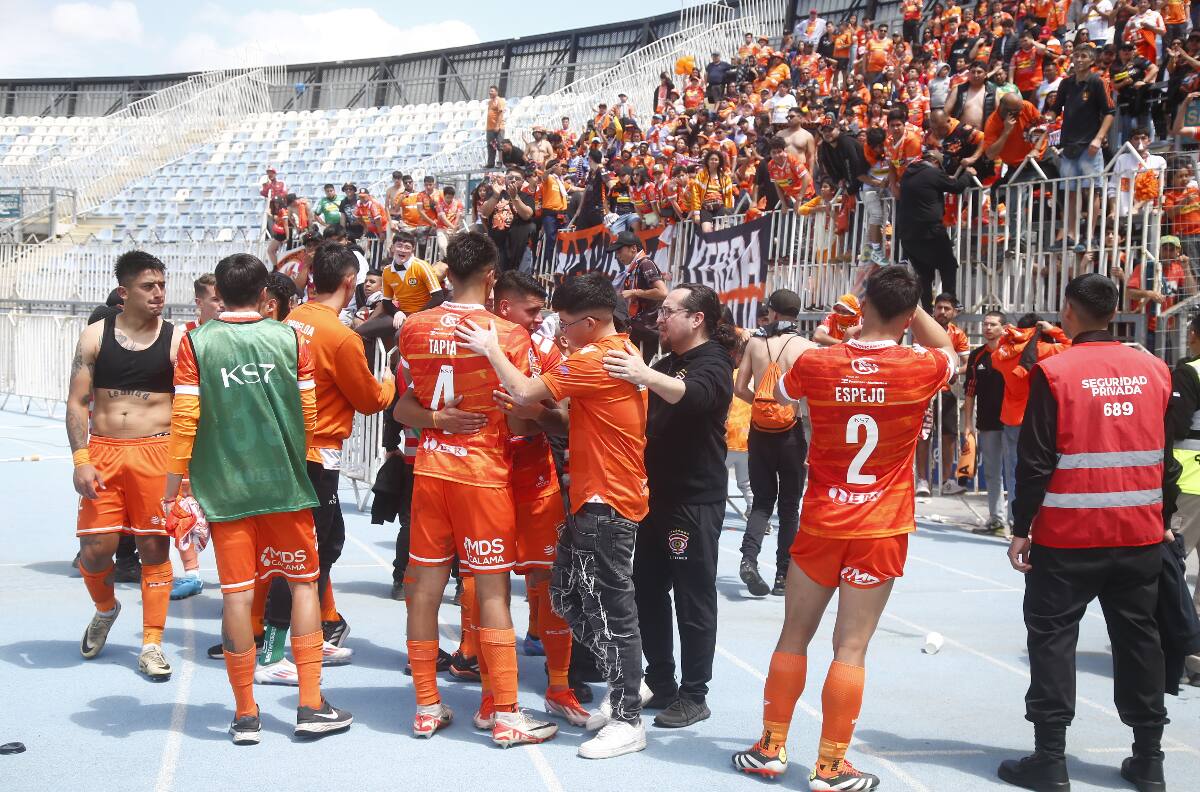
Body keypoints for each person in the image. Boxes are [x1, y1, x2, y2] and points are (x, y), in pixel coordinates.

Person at [731, 267, 957, 791]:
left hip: (822, 518)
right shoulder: (919, 366)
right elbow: (946, 346)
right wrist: (911, 304)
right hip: (881, 525)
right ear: (909, 313)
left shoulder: (818, 359)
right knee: (850, 648)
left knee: (793, 634)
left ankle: (770, 746)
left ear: (863, 304)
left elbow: (780, 396)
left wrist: (853, 337)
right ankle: (830, 766)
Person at [456, 271, 650, 760]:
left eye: (563, 322)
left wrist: (489, 347)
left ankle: (628, 714)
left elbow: (523, 390)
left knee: (612, 607)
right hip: (593, 495)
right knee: (566, 595)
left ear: (590, 321)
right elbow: (559, 418)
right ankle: (630, 678)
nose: (557, 330)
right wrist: (540, 414)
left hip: (608, 498)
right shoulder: (618, 351)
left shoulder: (596, 358)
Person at [162, 253, 351, 744]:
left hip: (226, 490)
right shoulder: (289, 337)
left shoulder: (196, 343)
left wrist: (173, 486)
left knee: (237, 596)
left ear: (218, 293)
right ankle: (310, 705)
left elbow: (185, 420)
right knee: (304, 586)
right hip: (286, 486)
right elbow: (308, 416)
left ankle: (246, 714)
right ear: (265, 293)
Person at [999, 273, 1174, 792]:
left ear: (1068, 310)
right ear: (1115, 311)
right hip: (1139, 534)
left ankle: (1050, 760)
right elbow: (1162, 457)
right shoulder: (1154, 369)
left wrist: (1021, 528)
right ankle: (1149, 759)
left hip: (1068, 536)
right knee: (1140, 640)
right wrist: (1161, 520)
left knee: (1052, 640)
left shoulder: (1054, 372)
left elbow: (1034, 462)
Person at [393, 269, 586, 727]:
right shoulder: (480, 338)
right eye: (532, 310)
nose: (540, 320)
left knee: (548, 583)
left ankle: (559, 687)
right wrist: (443, 418)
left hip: (533, 480)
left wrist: (529, 410)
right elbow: (402, 407)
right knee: (481, 588)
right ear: (502, 305)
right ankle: (493, 698)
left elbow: (563, 419)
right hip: (482, 477)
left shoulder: (542, 349)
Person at [253, 243, 397, 680]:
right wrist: (388, 380)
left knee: (326, 544)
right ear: (350, 282)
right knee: (302, 552)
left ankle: (309, 637)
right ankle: (273, 654)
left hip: (291, 450)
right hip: (315, 455)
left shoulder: (293, 319)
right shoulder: (340, 337)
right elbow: (370, 401)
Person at [602, 283, 735, 729]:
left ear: (697, 318)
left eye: (668, 311)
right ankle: (661, 680)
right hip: (654, 498)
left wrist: (643, 375)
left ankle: (695, 694)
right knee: (646, 590)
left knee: (693, 598)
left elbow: (695, 396)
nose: (659, 318)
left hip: (693, 501)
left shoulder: (714, 362)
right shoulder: (666, 363)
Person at [68, 251, 182, 681]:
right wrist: (81, 459)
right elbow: (78, 401)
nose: (158, 294)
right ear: (124, 291)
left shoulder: (176, 339)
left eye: (161, 285)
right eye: (148, 286)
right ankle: (105, 608)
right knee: (95, 552)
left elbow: (192, 404)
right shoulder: (95, 336)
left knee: (154, 548)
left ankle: (151, 642)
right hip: (104, 453)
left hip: (157, 452)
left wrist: (184, 466)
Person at [734, 289, 813, 598]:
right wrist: (786, 408)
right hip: (791, 433)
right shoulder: (806, 347)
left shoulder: (755, 342)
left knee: (763, 501)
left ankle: (748, 559)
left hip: (759, 431)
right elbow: (809, 398)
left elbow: (740, 388)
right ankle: (783, 575)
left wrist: (763, 404)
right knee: (790, 506)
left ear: (773, 313)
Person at [168, 274, 224, 601]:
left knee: (225, 507)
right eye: (215, 299)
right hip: (192, 432)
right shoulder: (182, 336)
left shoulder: (234, 334)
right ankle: (191, 573)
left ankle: (234, 574)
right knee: (184, 503)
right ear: (199, 302)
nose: (221, 304)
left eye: (223, 298)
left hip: (225, 436)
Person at [896, 149, 975, 312]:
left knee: (924, 274)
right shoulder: (932, 173)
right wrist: (968, 174)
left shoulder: (907, 174)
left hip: (908, 236)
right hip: (930, 231)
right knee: (948, 265)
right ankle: (949, 304)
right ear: (936, 162)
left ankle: (927, 309)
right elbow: (957, 186)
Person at [915, 293, 970, 497]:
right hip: (925, 391)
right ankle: (922, 480)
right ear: (934, 309)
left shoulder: (959, 334)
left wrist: (952, 371)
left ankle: (947, 480)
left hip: (947, 391)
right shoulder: (923, 329)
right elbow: (918, 357)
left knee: (949, 436)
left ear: (954, 312)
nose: (943, 312)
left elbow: (966, 364)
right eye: (939, 308)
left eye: (947, 308)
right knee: (924, 436)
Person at [963, 310, 1010, 535]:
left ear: (1004, 328)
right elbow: (970, 393)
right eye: (985, 324)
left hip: (1013, 423)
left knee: (1015, 472)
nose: (987, 328)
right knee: (992, 473)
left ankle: (1017, 522)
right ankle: (997, 520)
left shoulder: (1012, 352)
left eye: (992, 324)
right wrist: (968, 424)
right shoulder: (977, 356)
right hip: (987, 423)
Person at [1167, 310, 1200, 632]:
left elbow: (1175, 428)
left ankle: (1178, 645)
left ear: (1193, 334)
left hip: (1190, 482)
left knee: (1170, 565)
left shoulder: (1189, 372)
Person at [611, 230, 668, 363]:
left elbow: (663, 292)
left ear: (633, 248)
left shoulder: (645, 264)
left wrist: (634, 292)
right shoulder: (636, 266)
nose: (617, 255)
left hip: (647, 327)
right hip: (641, 325)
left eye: (619, 251)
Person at [382, 231, 445, 315]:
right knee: (368, 327)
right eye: (399, 246)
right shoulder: (386, 271)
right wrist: (397, 313)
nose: (403, 250)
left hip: (423, 314)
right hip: (402, 315)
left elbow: (438, 297)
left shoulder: (422, 266)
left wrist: (416, 315)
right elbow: (386, 301)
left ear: (413, 249)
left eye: (407, 247)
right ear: (392, 247)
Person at [486, 86, 506, 168]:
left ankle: (500, 161)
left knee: (499, 144)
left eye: (492, 91)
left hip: (498, 127)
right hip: (489, 127)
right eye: (490, 91)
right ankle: (490, 163)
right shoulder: (490, 102)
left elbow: (500, 113)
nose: (490, 92)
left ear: (496, 92)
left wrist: (497, 125)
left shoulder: (500, 101)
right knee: (490, 145)